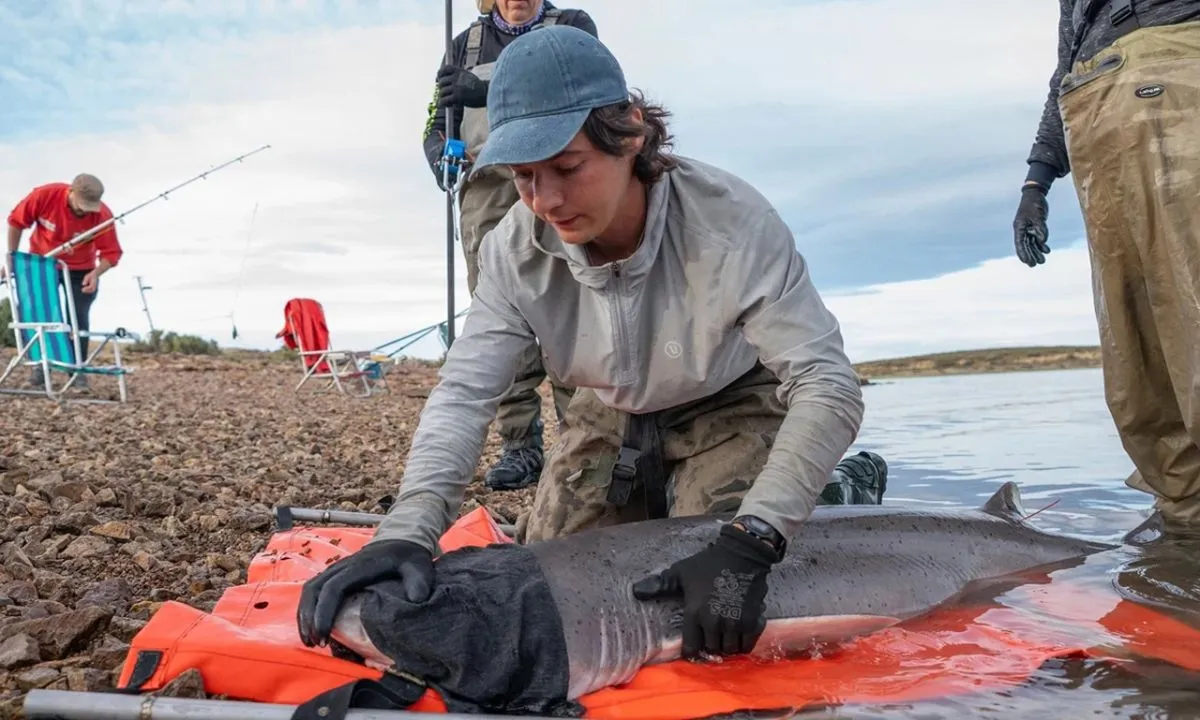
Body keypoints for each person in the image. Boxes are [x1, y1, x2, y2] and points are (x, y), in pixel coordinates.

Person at [299, 25, 887, 661]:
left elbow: (828, 385)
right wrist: (407, 532)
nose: (545, 200)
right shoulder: (511, 251)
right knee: (551, 580)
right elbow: (465, 393)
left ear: (630, 134)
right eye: (524, 175)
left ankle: (840, 486)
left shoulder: (734, 225)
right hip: (609, 411)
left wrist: (755, 538)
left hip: (730, 398)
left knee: (717, 597)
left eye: (567, 167)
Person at [1012, 1, 1200, 526]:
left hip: (1178, 83)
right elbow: (1062, 69)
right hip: (1091, 116)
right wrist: (1035, 183)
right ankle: (1185, 519)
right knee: (1132, 343)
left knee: (1191, 309)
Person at [422, 0, 599, 491]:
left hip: (558, 179)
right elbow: (437, 118)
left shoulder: (573, 26)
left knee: (573, 307)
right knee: (499, 310)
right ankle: (521, 447)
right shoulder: (463, 46)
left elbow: (590, 93)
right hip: (484, 187)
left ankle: (583, 440)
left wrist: (488, 89)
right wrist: (437, 152)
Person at [6, 174, 123, 389]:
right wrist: (12, 258)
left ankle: (77, 369)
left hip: (82, 269)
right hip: (43, 263)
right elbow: (16, 222)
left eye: (90, 208)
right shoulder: (44, 196)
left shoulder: (103, 215)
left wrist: (96, 273)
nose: (85, 212)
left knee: (78, 318)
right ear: (70, 192)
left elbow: (112, 252)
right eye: (81, 206)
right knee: (40, 314)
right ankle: (41, 365)